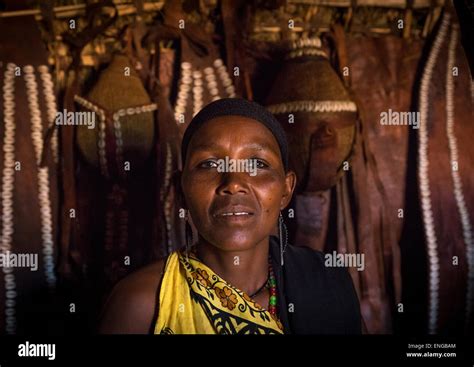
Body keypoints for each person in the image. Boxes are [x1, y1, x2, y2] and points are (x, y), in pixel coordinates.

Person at [99, 98, 361, 334]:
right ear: (181, 190)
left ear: (285, 190)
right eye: (209, 164)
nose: (234, 183)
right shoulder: (142, 305)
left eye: (258, 164)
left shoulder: (327, 282)